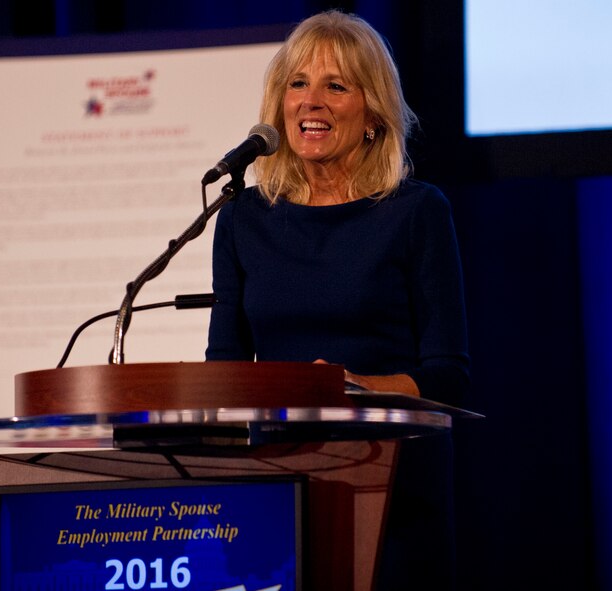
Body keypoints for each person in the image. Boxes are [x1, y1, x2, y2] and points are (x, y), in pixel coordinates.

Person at [205, 9, 470, 590]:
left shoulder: (416, 212)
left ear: (373, 113)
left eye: (336, 86)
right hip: (279, 484)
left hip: (392, 485)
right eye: (297, 84)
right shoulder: (243, 220)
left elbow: (449, 377)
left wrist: (352, 389)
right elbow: (223, 370)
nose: (311, 101)